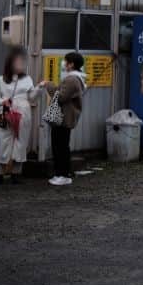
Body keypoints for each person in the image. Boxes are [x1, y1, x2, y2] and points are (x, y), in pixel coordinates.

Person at [0, 47, 42, 185]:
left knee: (21, 142)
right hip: (6, 112)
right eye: (18, 62)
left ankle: (16, 173)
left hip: (23, 112)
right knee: (3, 141)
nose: (21, 65)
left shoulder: (27, 79)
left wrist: (39, 89)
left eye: (22, 62)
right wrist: (3, 101)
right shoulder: (1, 80)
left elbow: (31, 97)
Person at [45, 51, 86, 187]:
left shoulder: (72, 79)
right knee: (63, 146)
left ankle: (61, 174)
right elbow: (61, 92)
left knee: (59, 146)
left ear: (71, 64)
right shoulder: (76, 78)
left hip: (62, 118)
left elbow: (60, 96)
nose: (64, 63)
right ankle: (65, 173)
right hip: (66, 118)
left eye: (66, 61)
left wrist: (48, 85)